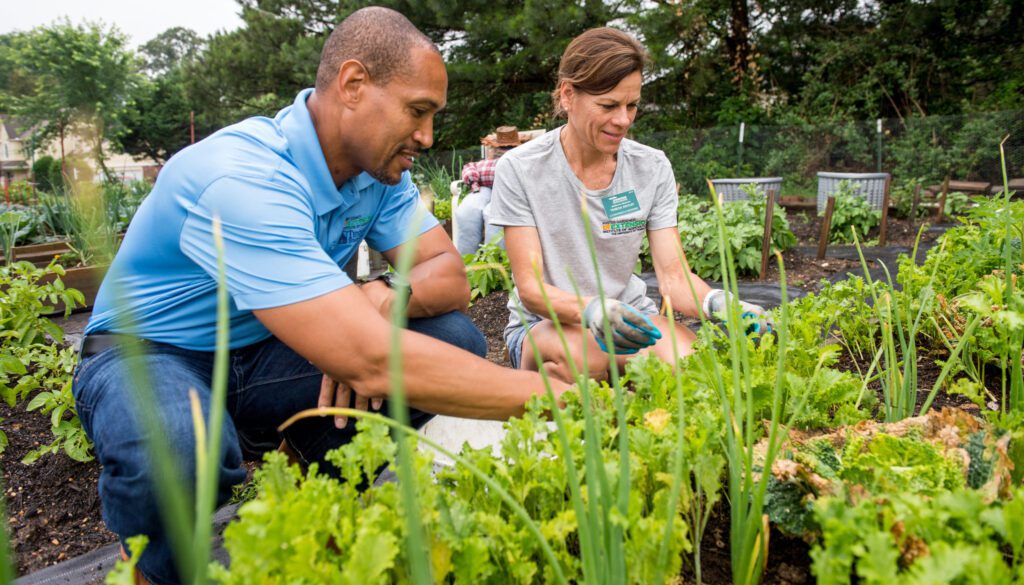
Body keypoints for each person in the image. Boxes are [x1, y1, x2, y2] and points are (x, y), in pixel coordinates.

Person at [72, 8, 568, 584]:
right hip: (150, 354)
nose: (427, 137)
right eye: (417, 112)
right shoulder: (242, 175)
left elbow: (448, 275)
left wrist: (384, 297)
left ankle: (317, 495)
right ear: (353, 85)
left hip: (262, 352)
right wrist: (551, 398)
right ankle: (156, 571)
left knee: (450, 334)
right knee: (178, 445)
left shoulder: (375, 174)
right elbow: (372, 359)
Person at [489, 27, 769, 383]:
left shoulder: (651, 168)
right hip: (545, 326)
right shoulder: (522, 169)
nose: (623, 120)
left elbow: (673, 277)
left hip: (632, 318)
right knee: (585, 361)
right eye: (608, 105)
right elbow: (532, 289)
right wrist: (593, 309)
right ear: (568, 95)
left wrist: (720, 304)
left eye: (631, 105)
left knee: (693, 366)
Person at [453, 126, 529, 255]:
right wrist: (473, 179)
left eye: (508, 147)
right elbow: (470, 168)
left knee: (492, 213)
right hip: (483, 188)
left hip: (510, 191)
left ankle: (492, 260)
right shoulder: (486, 162)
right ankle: (466, 259)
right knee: (467, 210)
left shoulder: (523, 160)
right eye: (502, 147)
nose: (504, 150)